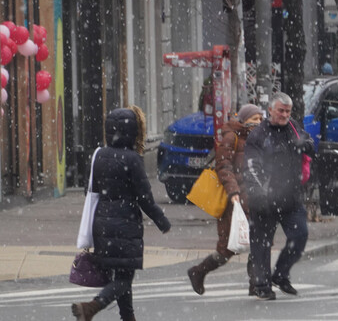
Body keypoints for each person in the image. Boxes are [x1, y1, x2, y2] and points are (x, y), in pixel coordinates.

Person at [71, 107, 172, 321]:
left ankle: (128, 317)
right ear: (133, 131)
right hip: (125, 224)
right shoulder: (133, 159)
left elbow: (89, 190)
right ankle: (91, 307)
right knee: (124, 279)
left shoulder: (98, 155)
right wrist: (161, 220)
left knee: (120, 277)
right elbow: (144, 197)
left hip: (101, 223)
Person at [243, 92, 315, 300]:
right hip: (264, 198)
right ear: (271, 110)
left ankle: (281, 275)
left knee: (300, 235)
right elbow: (251, 166)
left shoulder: (293, 126)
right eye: (281, 111)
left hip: (291, 196)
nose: (284, 115)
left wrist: (305, 144)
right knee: (261, 243)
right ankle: (262, 284)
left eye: (288, 111)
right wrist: (259, 192)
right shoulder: (258, 134)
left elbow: (310, 144)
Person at [187, 104, 263, 296]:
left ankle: (256, 284)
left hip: (254, 199)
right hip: (234, 202)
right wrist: (233, 192)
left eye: (260, 120)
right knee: (227, 248)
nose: (258, 123)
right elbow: (223, 167)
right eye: (254, 120)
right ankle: (199, 271)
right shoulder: (232, 138)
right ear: (244, 120)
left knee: (258, 241)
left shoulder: (258, 140)